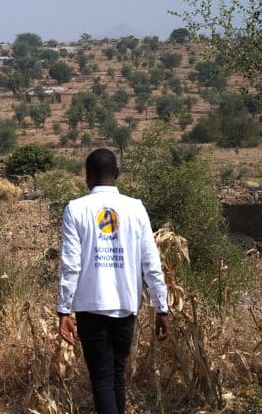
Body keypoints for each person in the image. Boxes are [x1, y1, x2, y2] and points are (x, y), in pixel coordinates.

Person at [57, 148, 170, 414]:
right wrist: (161, 307)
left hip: (90, 307)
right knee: (117, 376)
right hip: (125, 305)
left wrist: (64, 310)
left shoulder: (76, 209)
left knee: (102, 378)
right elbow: (151, 263)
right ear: (116, 174)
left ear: (87, 176)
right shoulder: (135, 208)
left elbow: (71, 265)